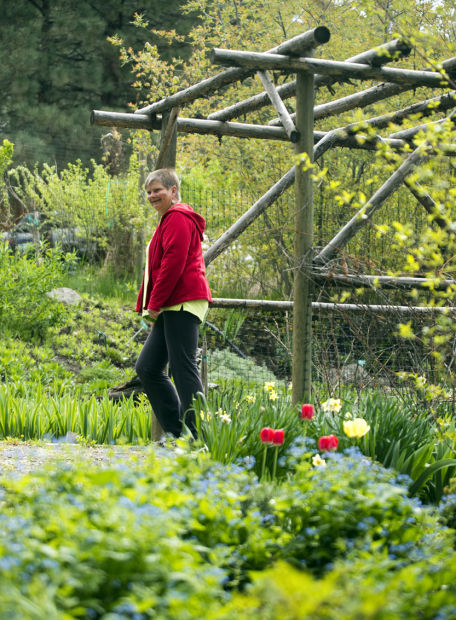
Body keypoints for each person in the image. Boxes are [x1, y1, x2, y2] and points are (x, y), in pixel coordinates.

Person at [135, 168, 212, 439]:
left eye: (158, 190)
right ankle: (178, 434)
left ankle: (202, 436)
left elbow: (172, 265)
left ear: (173, 191)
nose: (152, 195)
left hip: (182, 301)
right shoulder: (167, 220)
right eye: (149, 192)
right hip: (171, 303)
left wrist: (153, 305)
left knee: (183, 368)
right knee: (147, 367)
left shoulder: (178, 218)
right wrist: (152, 303)